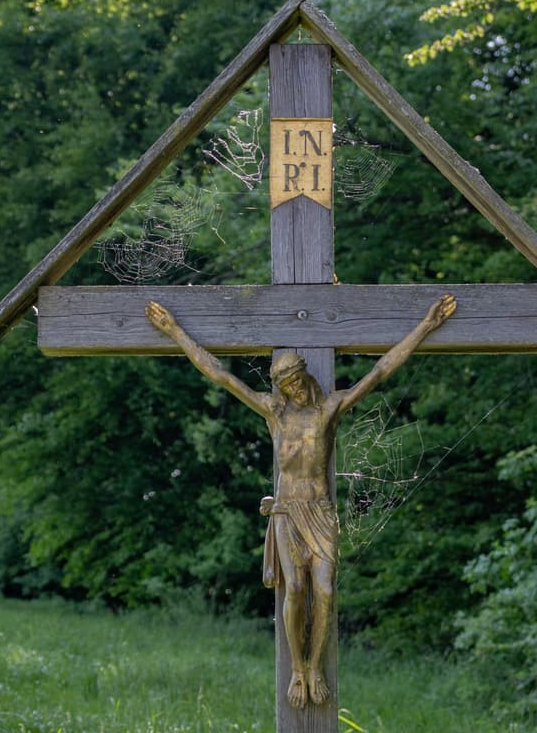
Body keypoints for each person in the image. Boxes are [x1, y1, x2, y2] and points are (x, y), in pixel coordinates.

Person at [145, 292, 456, 707]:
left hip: (321, 512)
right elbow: (220, 375)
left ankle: (315, 666)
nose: (293, 390)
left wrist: (426, 325)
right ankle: (298, 669)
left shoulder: (329, 408)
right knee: (294, 589)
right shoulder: (275, 413)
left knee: (324, 590)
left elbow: (380, 371)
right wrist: (174, 331)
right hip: (288, 512)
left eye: (295, 381)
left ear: (305, 375)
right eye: (285, 386)